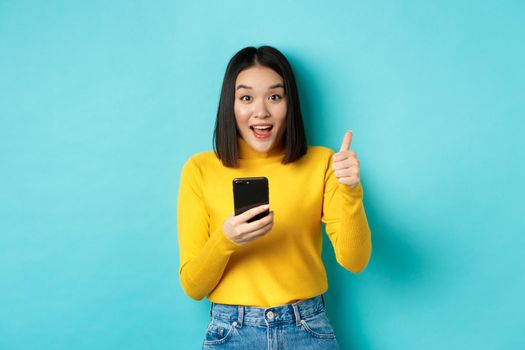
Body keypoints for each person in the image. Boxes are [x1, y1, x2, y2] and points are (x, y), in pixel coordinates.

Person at [177, 45, 372, 349]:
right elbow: (193, 285)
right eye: (246, 98)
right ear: (230, 105)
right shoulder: (200, 169)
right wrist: (226, 238)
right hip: (231, 332)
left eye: (274, 96)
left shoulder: (324, 163)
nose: (261, 111)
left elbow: (355, 260)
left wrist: (349, 190)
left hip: (307, 328)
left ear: (288, 103)